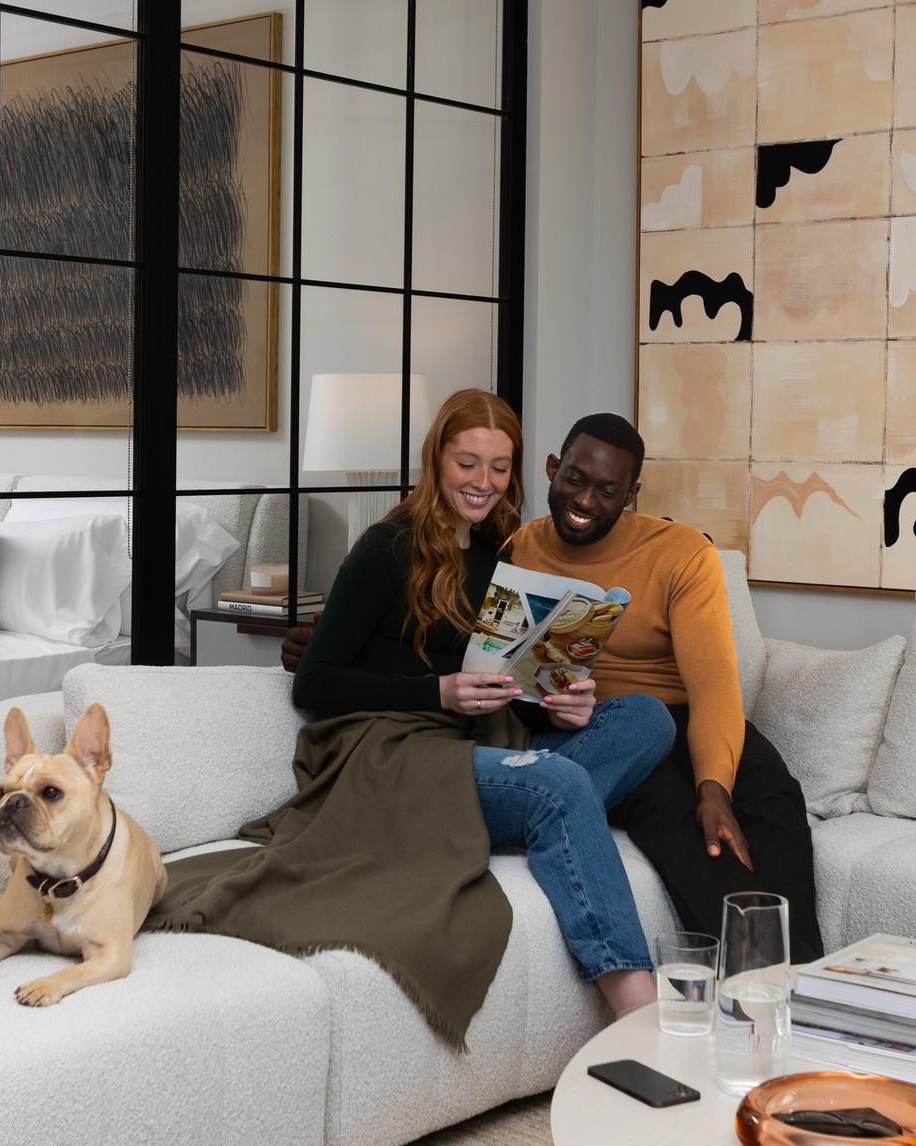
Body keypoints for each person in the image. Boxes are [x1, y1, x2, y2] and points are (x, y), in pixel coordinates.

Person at [289, 412, 823, 962]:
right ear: (552, 469)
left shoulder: (681, 553)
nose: (586, 500)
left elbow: (715, 688)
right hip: (596, 725)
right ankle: (751, 968)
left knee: (772, 798)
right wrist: (318, 643)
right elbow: (452, 636)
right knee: (676, 817)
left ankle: (805, 977)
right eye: (574, 479)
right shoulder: (513, 548)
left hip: (681, 716)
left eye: (608, 490)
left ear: (631, 494)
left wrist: (715, 788)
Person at [292, 389, 676, 1015]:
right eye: (467, 462)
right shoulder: (385, 547)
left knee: (646, 718)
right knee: (557, 784)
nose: (484, 481)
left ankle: (513, 821)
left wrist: (557, 703)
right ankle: (636, 1002)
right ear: (436, 458)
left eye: (499, 466)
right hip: (397, 757)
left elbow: (498, 680)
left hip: (483, 745)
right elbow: (313, 682)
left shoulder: (499, 548)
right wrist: (436, 692)